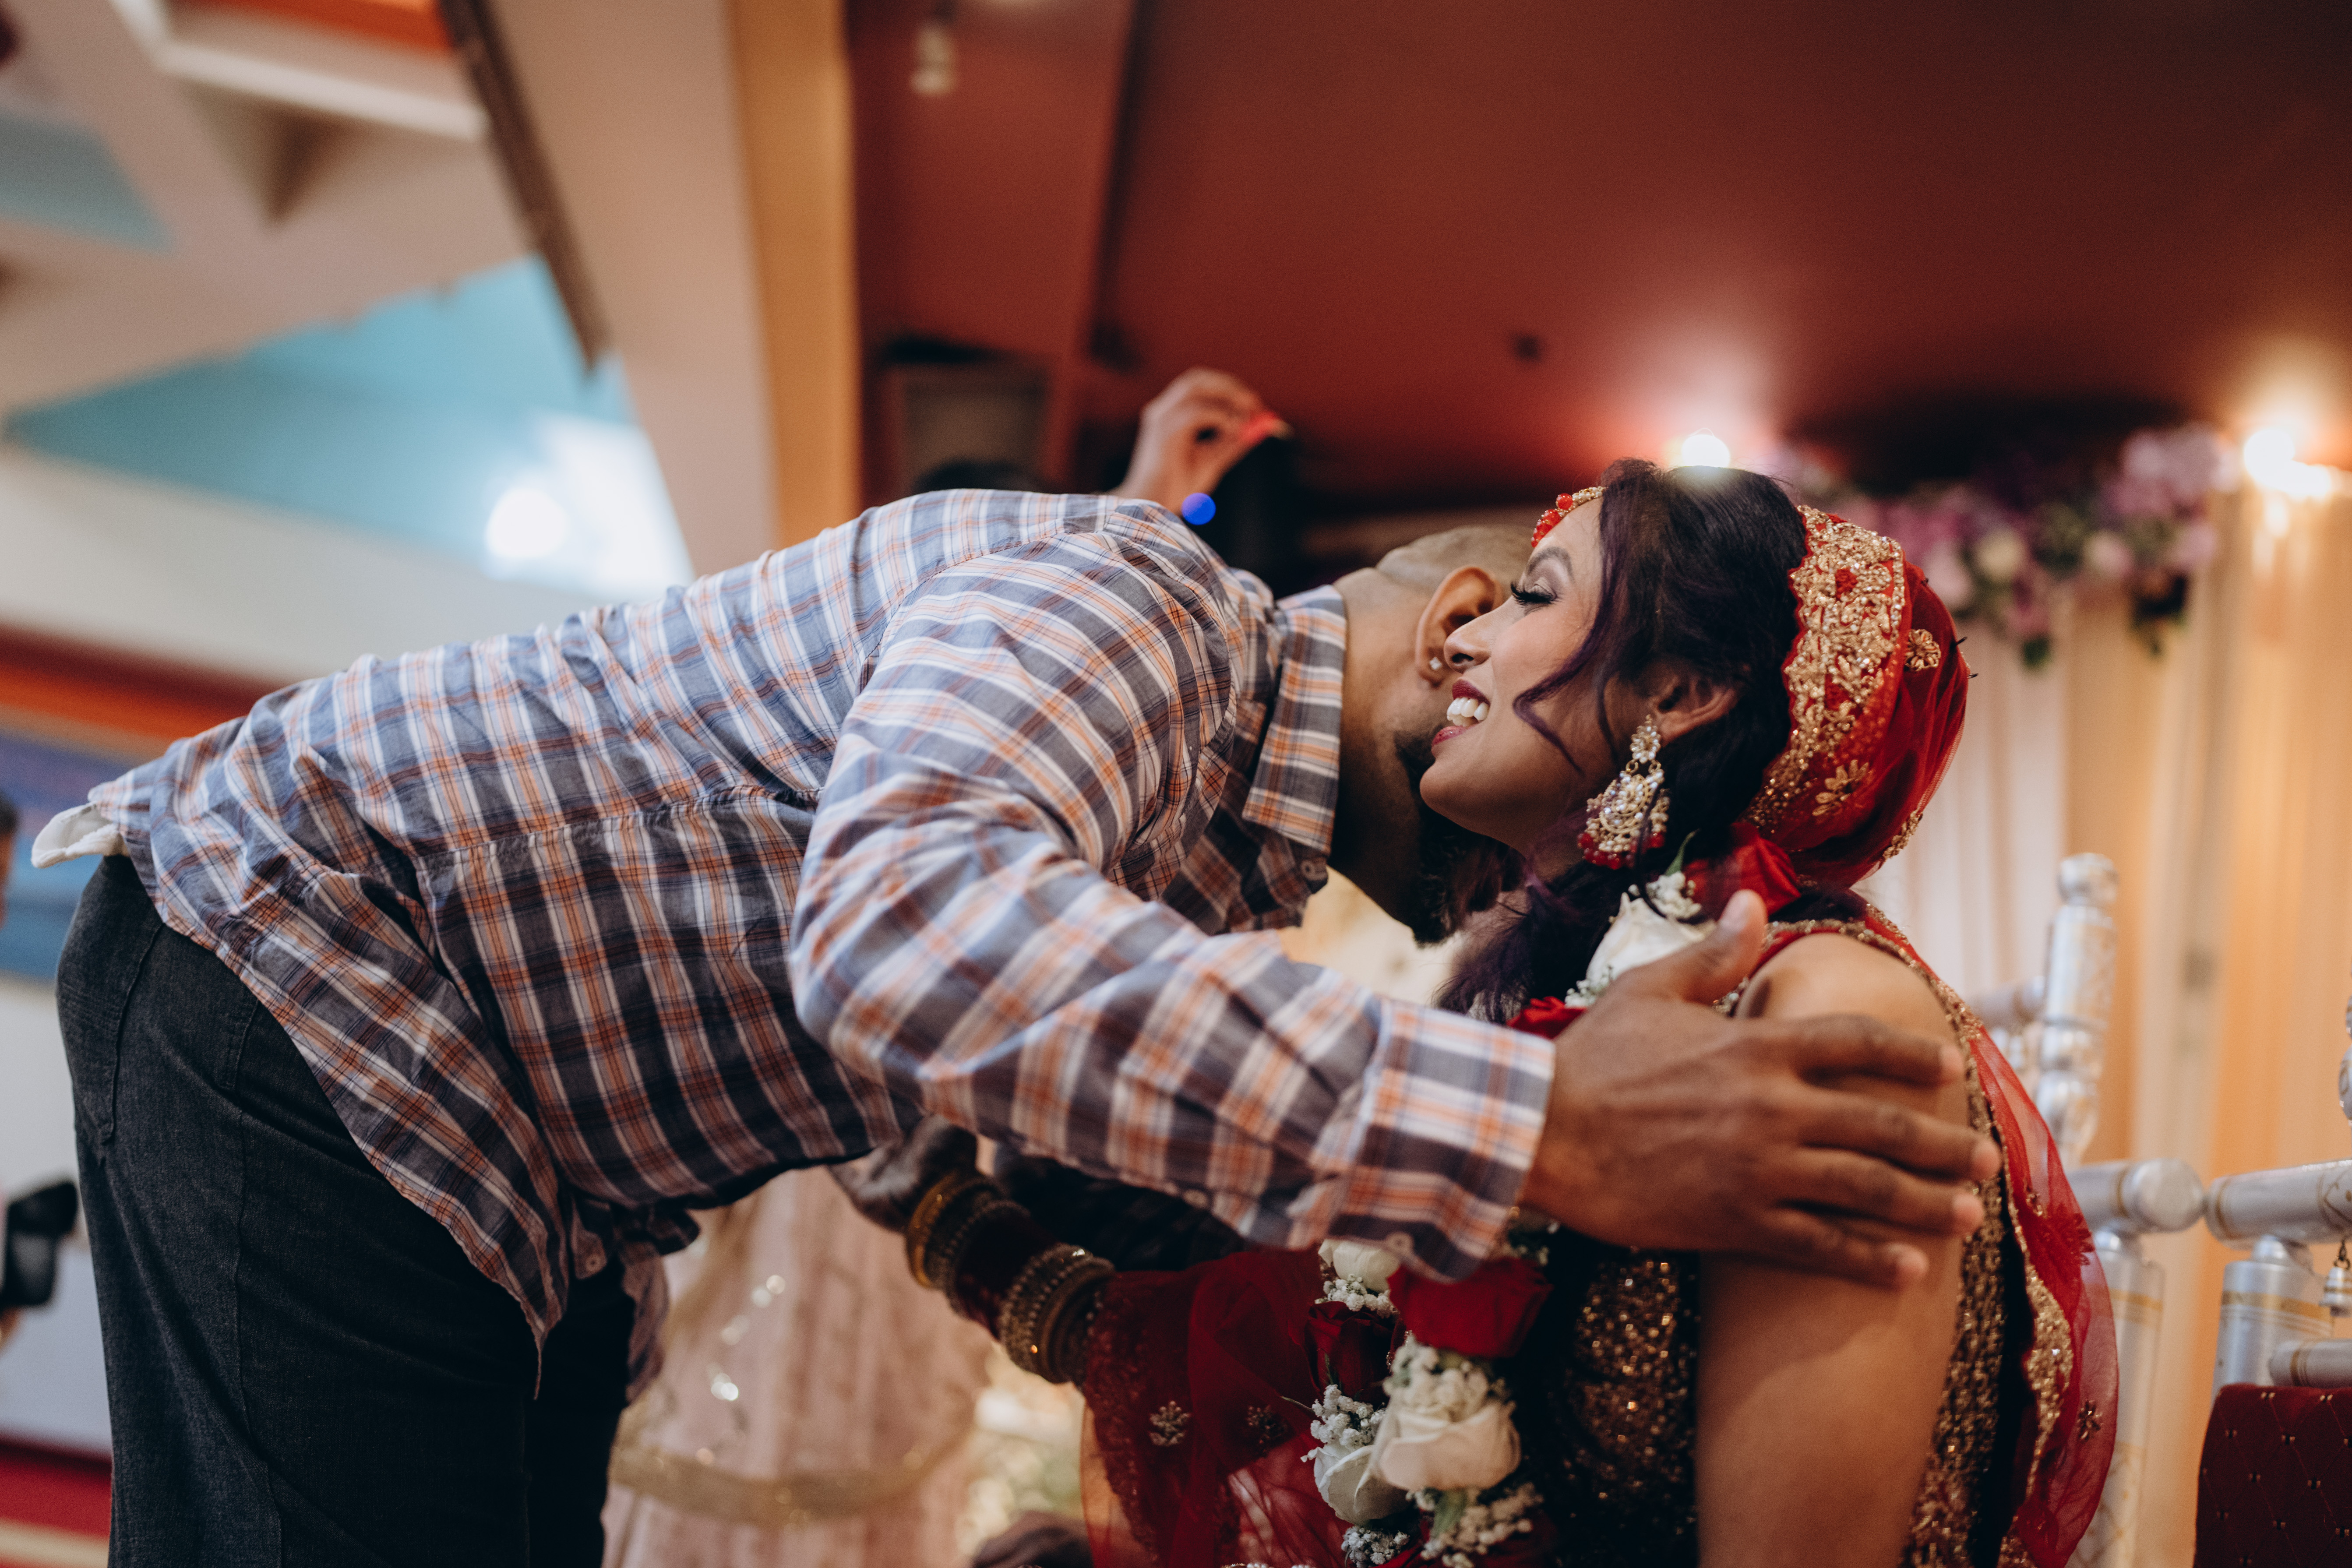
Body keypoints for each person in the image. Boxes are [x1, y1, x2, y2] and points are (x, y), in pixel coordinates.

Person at [33, 369, 1994, 1564]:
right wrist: (1544, 1126)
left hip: (510, 1171)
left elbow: (932, 1075)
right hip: (322, 980)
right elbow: (900, 934)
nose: (1517, 895)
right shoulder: (1146, 604)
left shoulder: (1218, 860)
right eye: (1531, 594)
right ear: (1461, 619)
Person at [857, 465, 2114, 1568]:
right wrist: (949, 1224)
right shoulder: (1571, 1025)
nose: (1466, 641)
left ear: (1678, 692)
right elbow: (1284, 1370)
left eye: (1533, 598)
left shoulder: (1823, 1006)